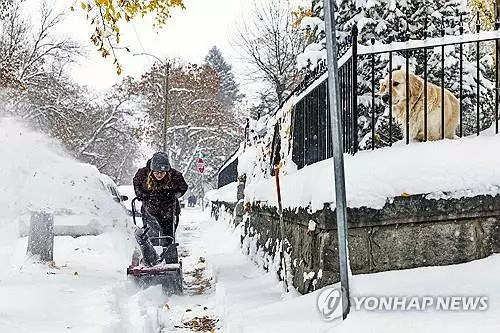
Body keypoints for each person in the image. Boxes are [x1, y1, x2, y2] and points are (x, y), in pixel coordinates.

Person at [133, 152, 188, 246]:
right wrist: (141, 195)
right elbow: (136, 184)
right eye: (156, 172)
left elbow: (183, 188)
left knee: (167, 233)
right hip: (149, 207)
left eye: (162, 173)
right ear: (151, 171)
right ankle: (152, 252)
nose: (159, 175)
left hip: (168, 208)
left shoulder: (175, 176)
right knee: (150, 232)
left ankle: (167, 248)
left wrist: (173, 195)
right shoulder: (142, 174)